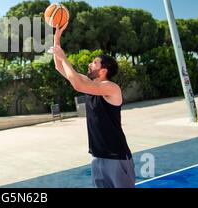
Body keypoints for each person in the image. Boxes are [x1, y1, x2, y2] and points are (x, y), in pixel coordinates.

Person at [51, 24, 135, 188]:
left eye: (94, 62)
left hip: (117, 157)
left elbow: (77, 84)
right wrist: (57, 37)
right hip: (98, 156)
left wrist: (64, 57)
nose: (90, 64)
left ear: (104, 70)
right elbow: (59, 67)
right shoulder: (90, 83)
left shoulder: (111, 88)